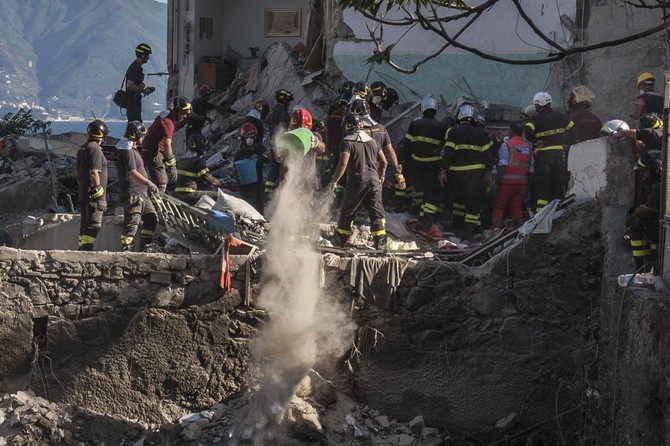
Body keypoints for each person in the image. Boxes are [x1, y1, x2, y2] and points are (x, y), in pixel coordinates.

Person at [331, 113, 388, 249]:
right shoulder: (372, 141)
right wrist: (381, 176)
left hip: (357, 181)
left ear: (348, 125)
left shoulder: (347, 142)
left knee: (348, 211)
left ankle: (341, 241)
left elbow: (343, 163)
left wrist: (334, 180)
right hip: (374, 181)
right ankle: (380, 243)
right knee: (377, 213)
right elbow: (384, 162)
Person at [439, 104, 494, 240]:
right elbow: (489, 156)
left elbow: (448, 153)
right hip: (475, 175)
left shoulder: (453, 132)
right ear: (473, 119)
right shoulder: (481, 134)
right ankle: (468, 233)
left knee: (458, 200)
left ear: (459, 117)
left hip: (456, 175)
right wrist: (488, 173)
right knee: (473, 204)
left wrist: (443, 171)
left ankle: (457, 226)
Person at [523, 91, 574, 213]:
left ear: (538, 105)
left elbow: (527, 130)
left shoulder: (536, 119)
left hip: (543, 155)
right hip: (558, 155)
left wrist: (535, 141)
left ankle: (542, 213)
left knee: (542, 184)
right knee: (557, 183)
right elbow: (573, 128)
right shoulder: (561, 116)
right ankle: (559, 211)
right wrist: (567, 144)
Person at [402, 96, 446, 228]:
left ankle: (417, 208)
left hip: (416, 162)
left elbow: (407, 143)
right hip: (433, 164)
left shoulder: (415, 124)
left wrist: (408, 159)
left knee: (419, 186)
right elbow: (445, 145)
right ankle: (425, 215)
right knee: (431, 189)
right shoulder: (441, 126)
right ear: (435, 110)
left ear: (423, 109)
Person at [350, 97, 405, 201]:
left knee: (356, 203)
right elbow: (390, 150)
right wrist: (398, 172)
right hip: (377, 171)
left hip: (360, 172)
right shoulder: (381, 128)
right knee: (375, 202)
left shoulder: (357, 131)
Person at [116, 121, 159, 251]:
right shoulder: (128, 152)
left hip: (142, 193)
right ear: (136, 135)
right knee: (132, 223)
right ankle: (126, 249)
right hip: (134, 194)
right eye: (142, 136)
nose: (143, 138)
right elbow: (132, 171)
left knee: (151, 218)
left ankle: (144, 245)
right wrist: (148, 182)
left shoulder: (133, 150)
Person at [141, 96, 192, 192]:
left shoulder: (164, 116)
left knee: (159, 178)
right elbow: (167, 144)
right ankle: (155, 205)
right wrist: (172, 163)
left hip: (150, 150)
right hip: (154, 153)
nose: (184, 116)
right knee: (161, 184)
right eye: (183, 113)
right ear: (175, 111)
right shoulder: (168, 123)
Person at [491, 121, 534, 228]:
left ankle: (495, 230)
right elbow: (531, 170)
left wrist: (497, 184)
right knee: (516, 207)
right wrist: (527, 186)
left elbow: (502, 165)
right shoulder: (528, 147)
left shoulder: (507, 145)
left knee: (499, 206)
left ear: (511, 131)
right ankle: (518, 230)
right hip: (521, 185)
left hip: (507, 183)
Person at [76, 119, 109, 251]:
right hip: (93, 194)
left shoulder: (83, 148)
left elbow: (78, 173)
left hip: (84, 190)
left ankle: (81, 249)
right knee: (94, 224)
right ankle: (87, 251)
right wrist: (99, 194)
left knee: (85, 223)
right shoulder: (94, 149)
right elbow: (94, 172)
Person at [626, 151, 662, 271]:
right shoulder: (657, 186)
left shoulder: (660, 188)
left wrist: (636, 211)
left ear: (655, 170)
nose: (642, 175)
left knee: (636, 222)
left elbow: (645, 211)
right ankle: (653, 261)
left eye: (644, 171)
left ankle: (642, 269)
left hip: (662, 230)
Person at [174, 134, 224, 205]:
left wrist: (215, 166)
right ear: (200, 147)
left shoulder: (182, 160)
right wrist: (225, 185)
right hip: (190, 194)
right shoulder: (197, 161)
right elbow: (211, 180)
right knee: (221, 197)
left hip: (179, 193)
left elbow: (197, 171)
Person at [234, 122, 266, 212]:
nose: (249, 140)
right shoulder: (239, 154)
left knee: (260, 204)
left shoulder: (259, 148)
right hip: (246, 186)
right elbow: (235, 170)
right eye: (247, 137)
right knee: (249, 207)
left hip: (258, 183)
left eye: (251, 137)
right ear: (243, 138)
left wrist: (260, 157)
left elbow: (269, 157)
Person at [125, 43, 155, 123]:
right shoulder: (135, 68)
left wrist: (142, 86)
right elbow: (130, 85)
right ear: (143, 55)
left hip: (134, 104)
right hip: (133, 104)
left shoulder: (136, 67)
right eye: (147, 55)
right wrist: (143, 90)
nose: (148, 58)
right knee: (135, 124)